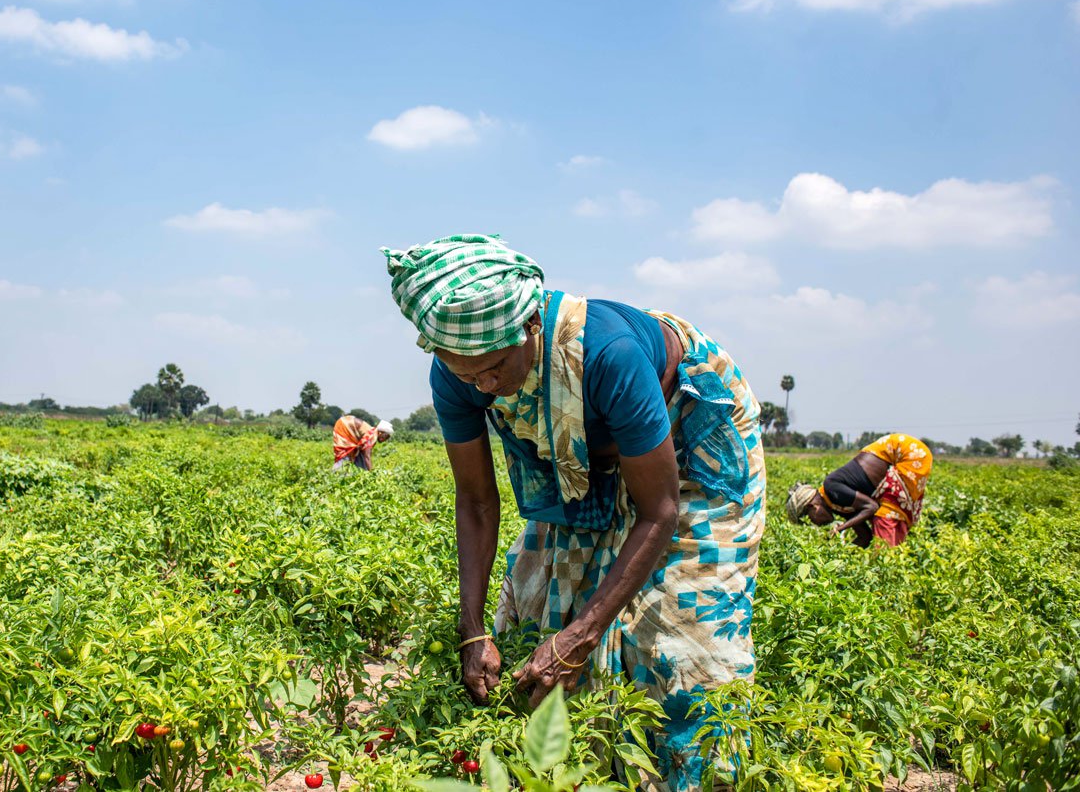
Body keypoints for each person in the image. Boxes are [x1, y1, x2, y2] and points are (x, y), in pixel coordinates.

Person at [381, 234, 764, 791]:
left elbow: (658, 510)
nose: (484, 386)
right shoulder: (459, 377)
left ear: (531, 327)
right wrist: (470, 631)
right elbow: (477, 501)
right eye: (467, 375)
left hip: (684, 446)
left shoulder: (610, 355)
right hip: (583, 458)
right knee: (540, 610)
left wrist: (582, 637)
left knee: (681, 636)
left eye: (493, 368)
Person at [785, 434, 932, 547]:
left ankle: (891, 563)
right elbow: (865, 538)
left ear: (813, 507)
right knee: (883, 523)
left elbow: (871, 507)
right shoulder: (841, 508)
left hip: (907, 452)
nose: (817, 524)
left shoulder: (832, 487)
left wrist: (841, 528)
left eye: (811, 519)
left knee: (884, 518)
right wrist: (839, 557)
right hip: (900, 456)